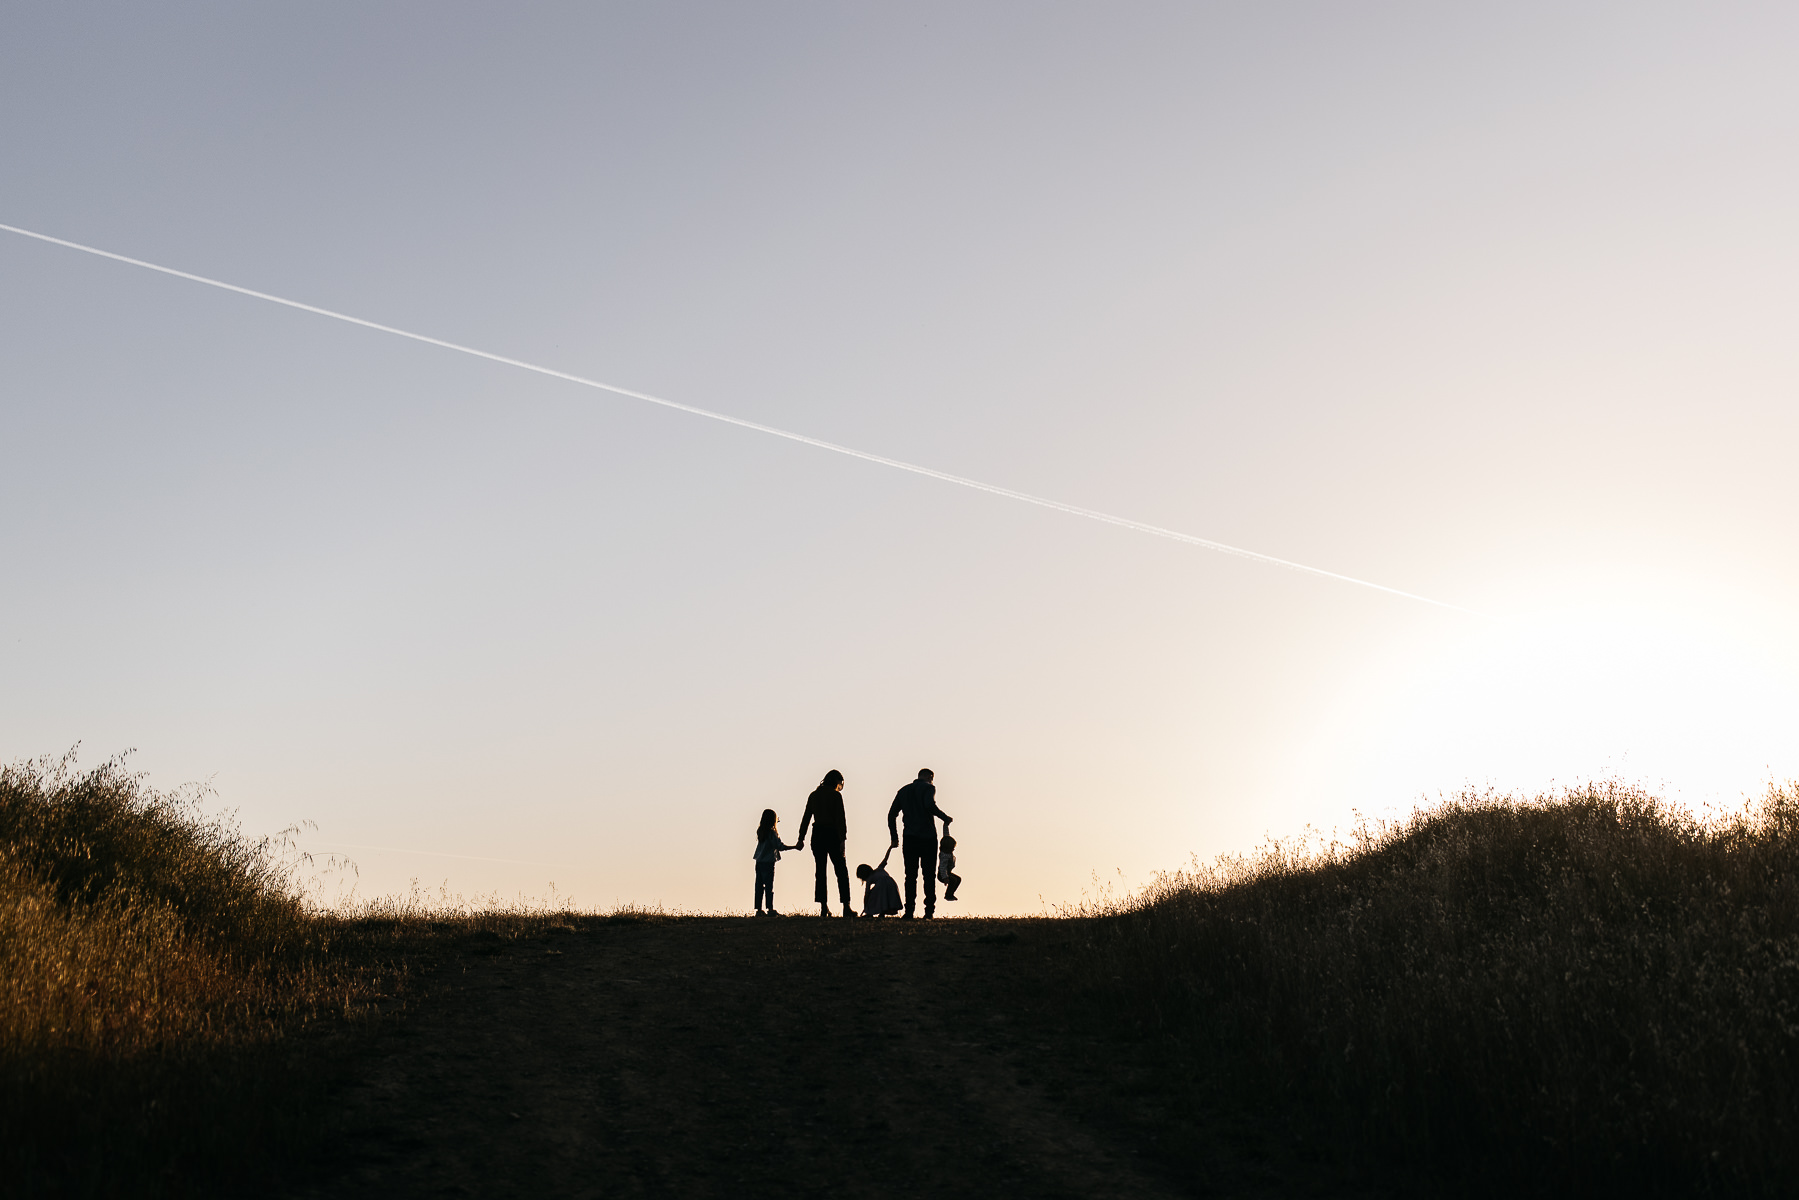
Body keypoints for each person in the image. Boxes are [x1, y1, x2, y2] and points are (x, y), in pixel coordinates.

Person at [886, 768, 952, 919]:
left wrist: (894, 837)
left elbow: (891, 815)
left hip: (909, 838)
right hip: (927, 837)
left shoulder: (903, 791)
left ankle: (909, 911)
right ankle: (929, 911)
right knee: (928, 875)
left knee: (910, 876)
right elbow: (929, 805)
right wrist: (944, 817)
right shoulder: (929, 788)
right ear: (929, 777)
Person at [795, 769, 855, 918]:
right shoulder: (836, 796)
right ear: (837, 782)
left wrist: (801, 838)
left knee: (820, 872)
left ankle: (823, 907)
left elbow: (806, 818)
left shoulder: (814, 795)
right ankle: (846, 906)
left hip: (817, 835)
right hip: (832, 834)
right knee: (841, 871)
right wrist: (843, 840)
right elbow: (841, 819)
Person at [751, 808, 796, 917]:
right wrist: (794, 847)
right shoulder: (771, 833)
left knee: (759, 886)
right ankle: (770, 908)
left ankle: (759, 909)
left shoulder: (761, 832)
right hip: (768, 863)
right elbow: (779, 846)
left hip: (759, 862)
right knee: (769, 886)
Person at [856, 849, 902, 917]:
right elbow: (885, 858)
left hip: (882, 885)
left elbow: (867, 894)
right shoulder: (880, 868)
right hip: (891, 883)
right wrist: (890, 848)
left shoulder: (869, 879)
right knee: (886, 897)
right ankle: (882, 912)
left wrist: (866, 908)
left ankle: (870, 913)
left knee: (873, 896)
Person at [937, 832, 961, 902]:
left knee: (958, 879)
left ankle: (951, 893)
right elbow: (942, 867)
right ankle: (948, 895)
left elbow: (946, 836)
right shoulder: (944, 856)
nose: (953, 850)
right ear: (947, 848)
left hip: (948, 873)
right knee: (953, 880)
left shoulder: (947, 851)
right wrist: (945, 877)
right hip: (942, 875)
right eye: (952, 848)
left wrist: (946, 824)